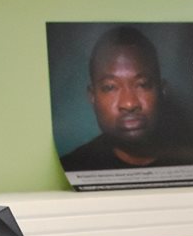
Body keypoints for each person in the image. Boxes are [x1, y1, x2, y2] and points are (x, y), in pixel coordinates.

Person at [59, 26, 181, 171]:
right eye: (110, 87)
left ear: (162, 90)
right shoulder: (71, 168)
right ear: (93, 96)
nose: (129, 104)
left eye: (142, 84)